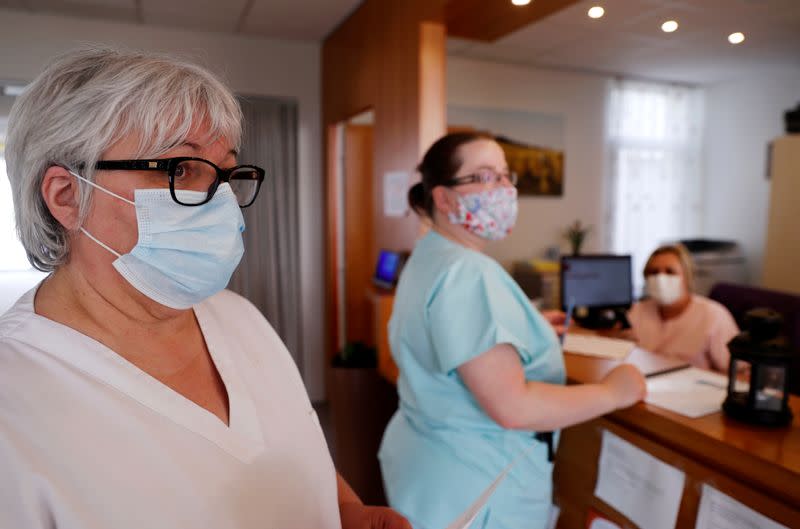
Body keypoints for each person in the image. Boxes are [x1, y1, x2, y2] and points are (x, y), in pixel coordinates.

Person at [0, 46, 409, 529]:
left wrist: (346, 511)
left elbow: (291, 450)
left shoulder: (238, 316)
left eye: (227, 174)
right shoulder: (16, 402)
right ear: (67, 197)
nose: (221, 204)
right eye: (181, 169)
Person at [378, 132, 646, 529]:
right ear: (444, 198)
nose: (504, 188)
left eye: (505, 175)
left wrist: (526, 329)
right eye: (486, 176)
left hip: (431, 469)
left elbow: (451, 335)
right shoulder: (469, 273)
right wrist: (613, 391)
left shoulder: (431, 255)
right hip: (478, 485)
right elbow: (513, 407)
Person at [627, 244, 739, 372]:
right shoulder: (638, 310)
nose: (660, 278)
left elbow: (737, 372)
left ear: (687, 276)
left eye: (670, 272)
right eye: (654, 272)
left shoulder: (714, 315)